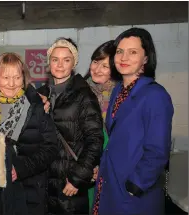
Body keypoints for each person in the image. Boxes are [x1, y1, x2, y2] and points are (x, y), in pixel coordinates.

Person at [92, 28, 174, 215]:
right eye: (120, 51)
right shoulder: (118, 91)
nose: (124, 57)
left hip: (134, 194)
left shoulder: (155, 95)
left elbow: (158, 150)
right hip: (110, 185)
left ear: (146, 58)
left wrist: (135, 185)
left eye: (133, 52)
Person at [37, 37, 104, 214]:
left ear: (74, 63)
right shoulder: (40, 94)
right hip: (44, 184)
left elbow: (95, 139)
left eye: (66, 60)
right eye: (55, 59)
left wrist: (77, 178)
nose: (60, 65)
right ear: (49, 62)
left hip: (69, 183)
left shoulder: (84, 95)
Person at [0, 52, 58, 214]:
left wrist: (20, 169)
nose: (11, 84)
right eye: (6, 78)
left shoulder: (36, 105)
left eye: (17, 77)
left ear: (24, 78)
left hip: (30, 191)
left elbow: (51, 148)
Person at [83, 40, 117, 211]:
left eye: (105, 65)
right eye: (96, 62)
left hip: (112, 166)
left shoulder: (121, 96)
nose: (97, 69)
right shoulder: (80, 90)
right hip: (86, 164)